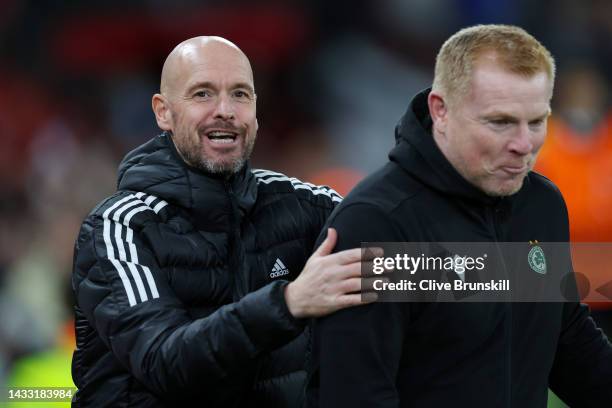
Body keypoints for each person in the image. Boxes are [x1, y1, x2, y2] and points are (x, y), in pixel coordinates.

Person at [307, 25, 612, 407]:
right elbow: (355, 393)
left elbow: (568, 341)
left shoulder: (541, 205)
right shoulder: (377, 224)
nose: (523, 145)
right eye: (499, 122)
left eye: (536, 122)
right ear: (441, 110)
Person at [71, 36, 379, 407]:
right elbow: (164, 361)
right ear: (163, 112)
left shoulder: (308, 206)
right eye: (203, 94)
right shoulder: (119, 227)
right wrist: (288, 303)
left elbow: (430, 274)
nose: (225, 110)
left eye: (240, 94)